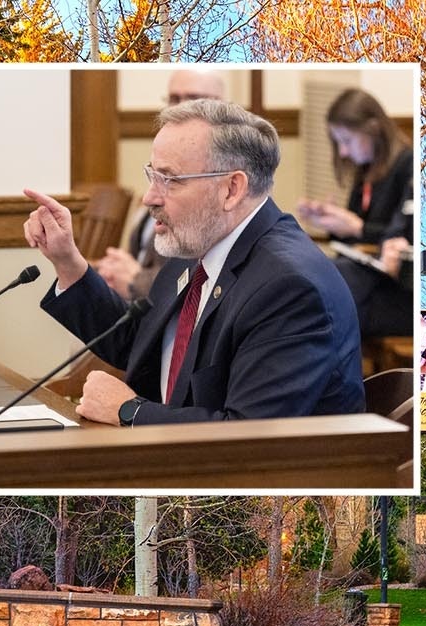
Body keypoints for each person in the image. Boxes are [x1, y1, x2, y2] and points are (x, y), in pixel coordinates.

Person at [23, 99, 364, 427]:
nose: (149, 198)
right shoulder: (198, 244)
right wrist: (68, 262)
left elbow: (249, 434)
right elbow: (141, 346)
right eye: (152, 176)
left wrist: (130, 412)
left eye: (170, 180)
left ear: (232, 189)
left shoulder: (289, 288)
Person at [95, 69, 228, 302]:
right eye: (174, 99)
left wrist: (137, 280)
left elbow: (207, 281)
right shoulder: (157, 173)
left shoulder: (224, 188)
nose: (181, 108)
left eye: (194, 99)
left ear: (223, 106)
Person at [297, 88, 415, 341]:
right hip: (366, 275)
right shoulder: (365, 172)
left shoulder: (408, 165)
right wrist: (332, 223)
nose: (343, 153)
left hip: (395, 287)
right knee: (315, 272)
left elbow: (401, 235)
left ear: (372, 128)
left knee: (328, 286)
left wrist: (358, 228)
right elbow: (357, 242)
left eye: (346, 141)